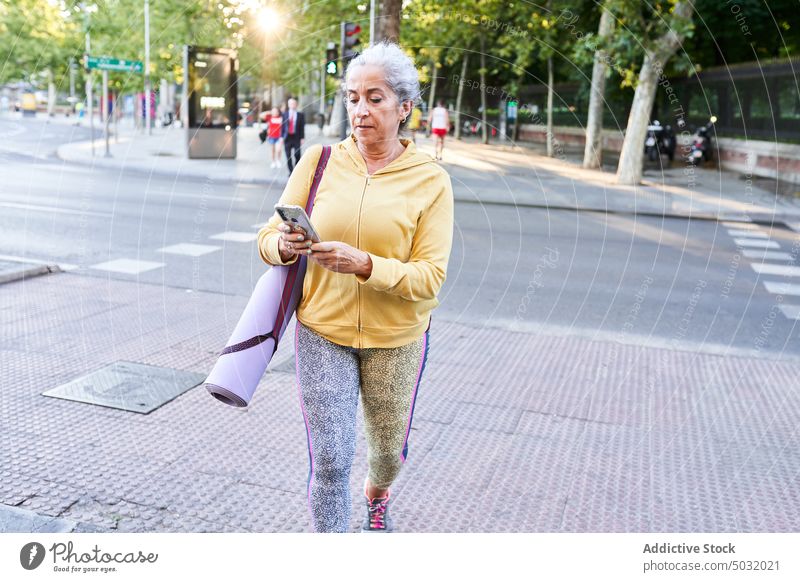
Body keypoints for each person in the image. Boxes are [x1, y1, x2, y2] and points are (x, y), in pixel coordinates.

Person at [257, 41, 454, 533]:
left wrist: (366, 264)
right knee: (331, 462)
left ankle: (379, 488)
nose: (359, 110)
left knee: (386, 452)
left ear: (404, 107)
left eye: (375, 98)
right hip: (323, 331)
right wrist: (283, 246)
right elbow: (265, 238)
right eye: (351, 98)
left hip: (396, 339)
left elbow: (430, 279)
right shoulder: (318, 162)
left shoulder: (431, 180)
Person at [282, 98, 305, 175]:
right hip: (287, 138)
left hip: (296, 137)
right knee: (288, 156)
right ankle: (291, 171)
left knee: (297, 154)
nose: (293, 105)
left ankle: (296, 170)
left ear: (296, 105)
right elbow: (282, 126)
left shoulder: (300, 115)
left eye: (294, 103)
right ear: (288, 105)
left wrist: (302, 138)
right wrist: (281, 137)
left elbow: (302, 127)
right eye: (291, 103)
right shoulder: (284, 114)